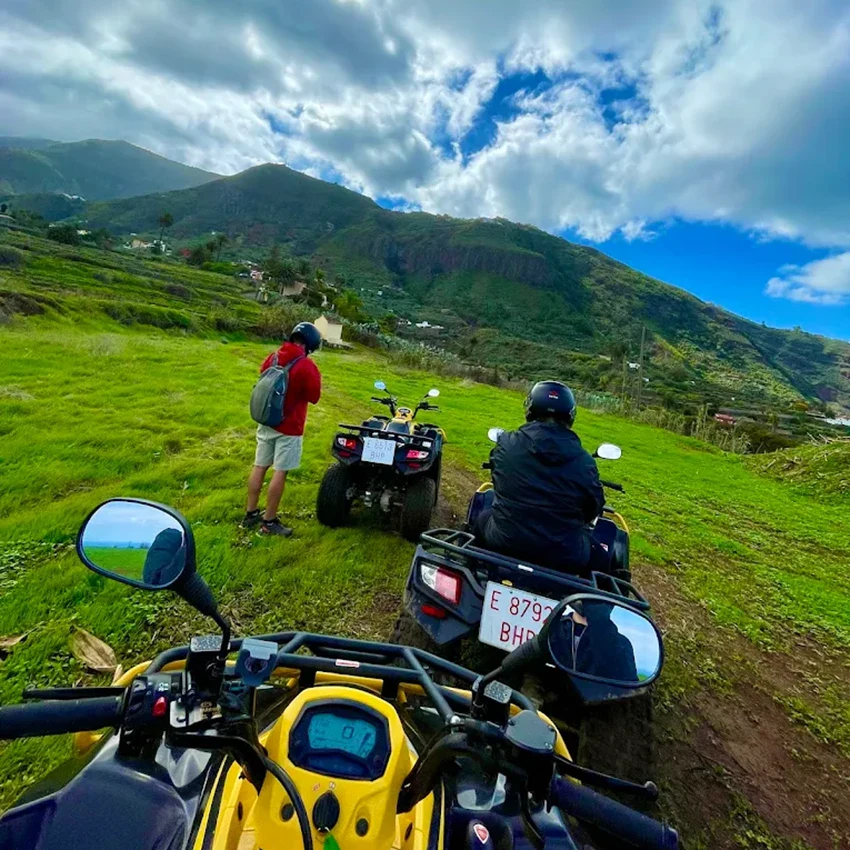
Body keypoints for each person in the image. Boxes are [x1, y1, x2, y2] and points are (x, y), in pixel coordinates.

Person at [477, 380, 604, 575]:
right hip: (564, 556)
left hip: (505, 540)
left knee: (481, 518)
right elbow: (592, 509)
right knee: (604, 558)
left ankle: (474, 569)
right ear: (570, 415)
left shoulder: (506, 443)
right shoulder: (585, 462)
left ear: (530, 407)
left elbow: (498, 478)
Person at [243, 322, 322, 536]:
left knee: (259, 466)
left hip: (266, 420)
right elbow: (314, 396)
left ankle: (250, 514)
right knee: (280, 471)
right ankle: (269, 522)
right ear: (311, 344)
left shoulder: (274, 356)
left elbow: (262, 375)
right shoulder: (306, 365)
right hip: (290, 427)